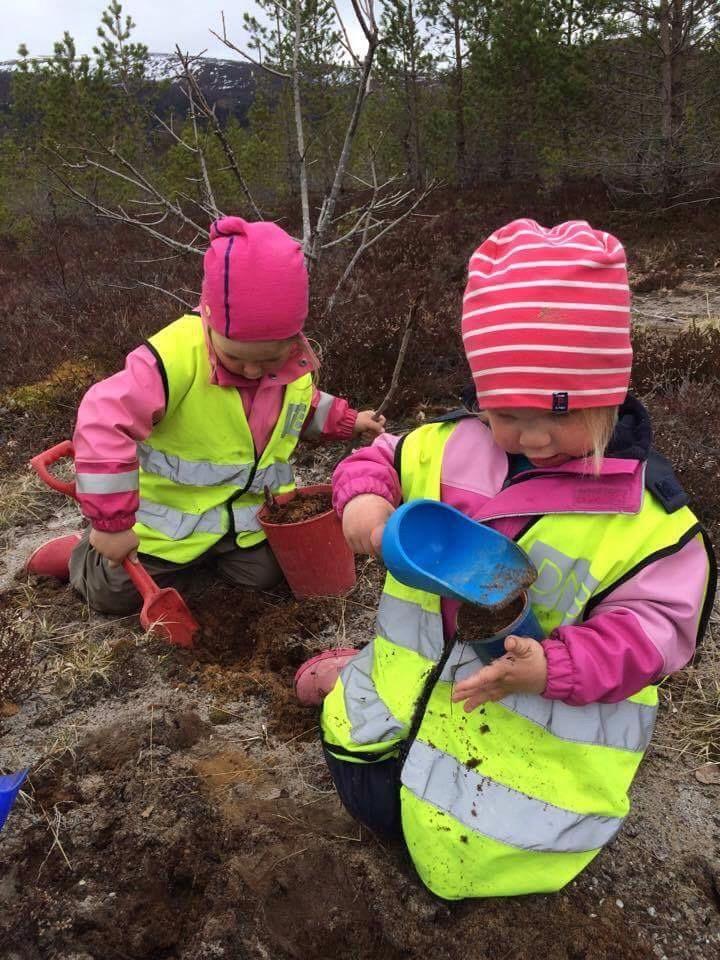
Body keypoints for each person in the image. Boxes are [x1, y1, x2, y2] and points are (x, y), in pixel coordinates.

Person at [294, 219, 716, 900]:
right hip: (386, 730)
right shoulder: (446, 447)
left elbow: (659, 632)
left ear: (610, 394)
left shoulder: (650, 524)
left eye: (563, 414)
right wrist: (365, 506)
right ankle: (355, 675)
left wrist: (555, 665)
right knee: (353, 766)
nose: (535, 436)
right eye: (508, 413)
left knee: (474, 863)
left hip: (515, 784)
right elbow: (377, 458)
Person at [27, 217, 385, 611]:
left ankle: (201, 568)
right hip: (165, 531)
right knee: (112, 593)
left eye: (268, 360)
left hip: (242, 527)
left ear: (294, 339)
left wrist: (350, 422)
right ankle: (78, 555)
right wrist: (111, 525)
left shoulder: (291, 366)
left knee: (269, 575)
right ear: (210, 321)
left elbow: (304, 405)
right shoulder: (172, 359)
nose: (253, 372)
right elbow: (102, 421)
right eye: (236, 358)